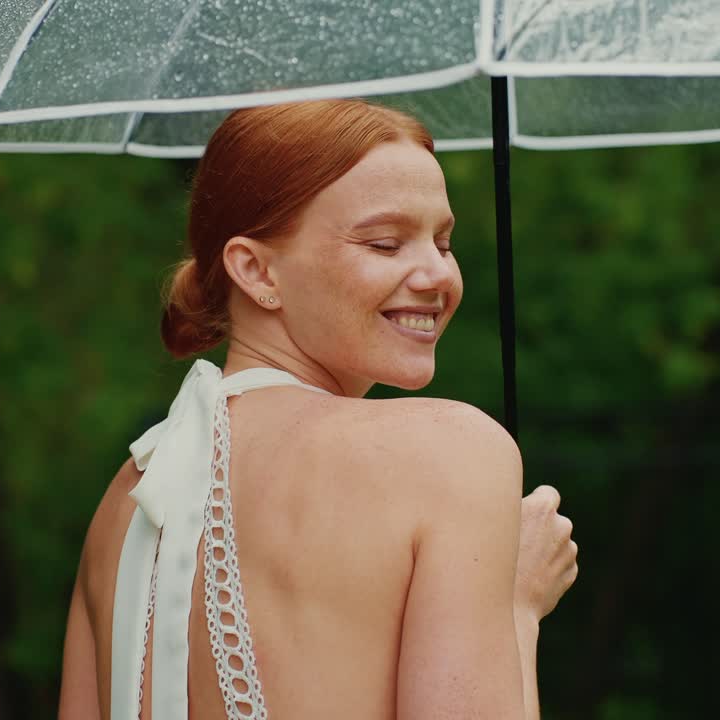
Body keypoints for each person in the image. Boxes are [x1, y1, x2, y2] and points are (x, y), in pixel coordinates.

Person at [58, 99, 578, 720]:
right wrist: (515, 605)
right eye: (386, 243)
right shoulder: (448, 454)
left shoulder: (129, 499)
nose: (437, 274)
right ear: (256, 270)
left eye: (443, 241)